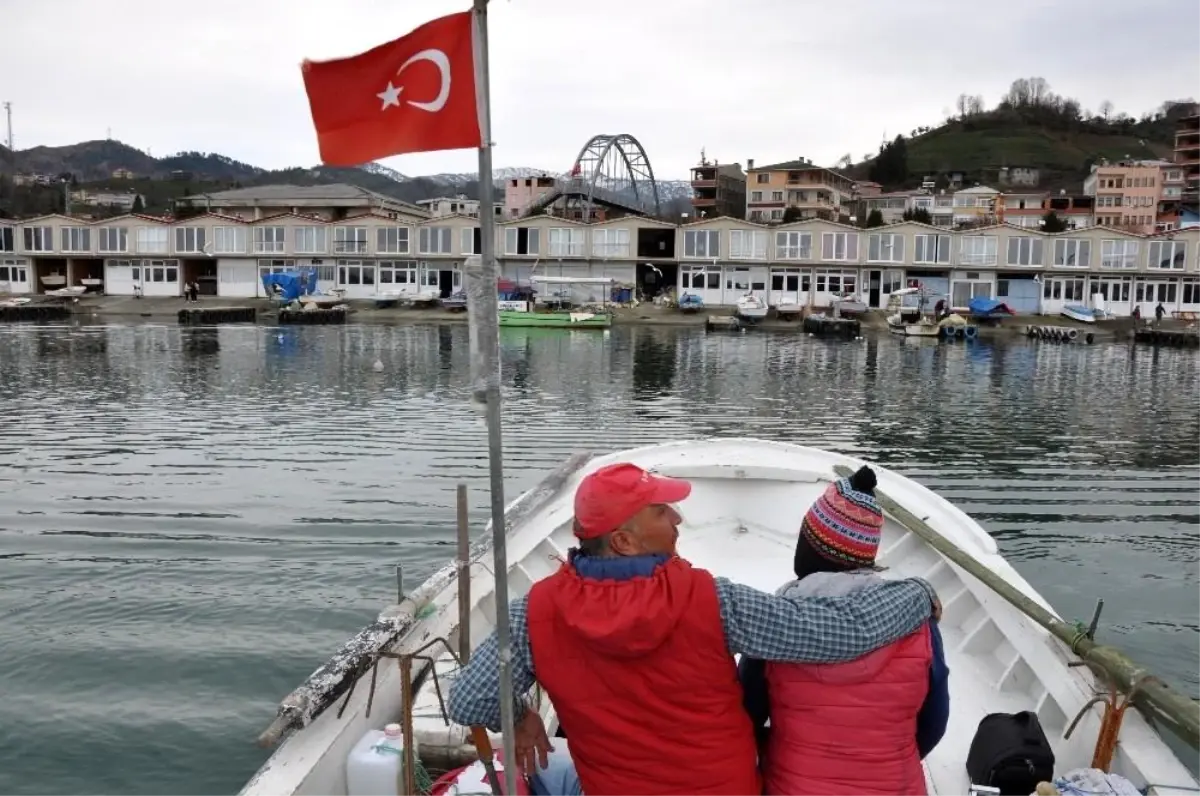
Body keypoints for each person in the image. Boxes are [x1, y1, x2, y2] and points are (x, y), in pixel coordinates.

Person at [447, 462, 941, 796]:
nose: (679, 519)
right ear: (622, 541)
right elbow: (836, 635)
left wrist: (520, 718)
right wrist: (918, 594)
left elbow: (469, 701)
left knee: (536, 772)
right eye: (662, 512)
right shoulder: (712, 600)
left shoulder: (534, 613)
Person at [739, 465, 950, 795]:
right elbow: (934, 724)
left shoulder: (775, 621)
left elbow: (747, 714)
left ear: (811, 547)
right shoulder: (919, 618)